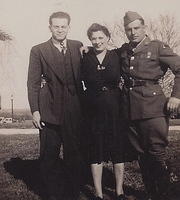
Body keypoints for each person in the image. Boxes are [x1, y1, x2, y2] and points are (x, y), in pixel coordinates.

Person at [115, 11, 180, 200]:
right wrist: (86, 49)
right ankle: (151, 194)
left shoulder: (157, 47)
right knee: (142, 155)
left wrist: (176, 96)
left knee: (156, 153)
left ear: (144, 28)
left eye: (136, 28)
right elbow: (106, 55)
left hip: (153, 108)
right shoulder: (124, 50)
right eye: (129, 29)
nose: (133, 32)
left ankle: (166, 195)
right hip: (130, 109)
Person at [27, 11, 84, 200]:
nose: (60, 30)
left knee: (74, 157)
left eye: (63, 26)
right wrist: (35, 111)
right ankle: (53, 195)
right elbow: (33, 83)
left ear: (69, 27)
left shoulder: (78, 47)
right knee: (49, 158)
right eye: (56, 26)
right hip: (49, 112)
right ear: (50, 27)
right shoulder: (38, 50)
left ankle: (72, 194)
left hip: (75, 112)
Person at [81, 23, 129, 200]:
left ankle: (119, 191)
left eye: (101, 37)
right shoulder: (85, 57)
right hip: (92, 110)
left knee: (118, 150)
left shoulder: (116, 54)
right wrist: (83, 49)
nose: (97, 41)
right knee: (96, 151)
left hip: (115, 108)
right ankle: (99, 194)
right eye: (93, 38)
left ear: (108, 38)